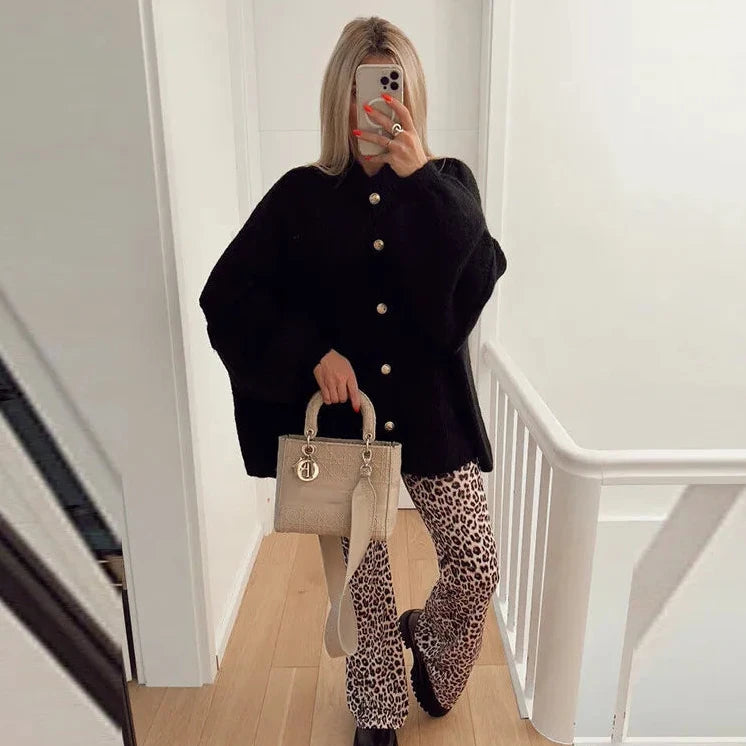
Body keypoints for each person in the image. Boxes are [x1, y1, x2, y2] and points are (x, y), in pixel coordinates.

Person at [199, 15, 506, 746]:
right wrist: (309, 352)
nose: (375, 105)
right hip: (346, 424)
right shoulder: (300, 195)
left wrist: (422, 180)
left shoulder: (447, 184)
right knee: (364, 581)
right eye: (361, 89)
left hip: (430, 413)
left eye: (391, 87)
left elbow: (477, 278)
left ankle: (433, 645)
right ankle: (376, 706)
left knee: (476, 563)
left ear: (411, 94)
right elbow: (228, 295)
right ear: (339, 96)